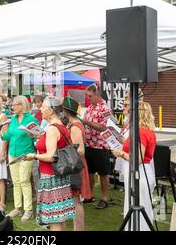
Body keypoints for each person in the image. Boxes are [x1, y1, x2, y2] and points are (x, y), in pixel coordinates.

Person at [26, 96, 75, 231]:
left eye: (43, 107)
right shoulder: (60, 126)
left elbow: (51, 156)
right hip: (59, 176)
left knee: (54, 219)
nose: (40, 109)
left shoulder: (52, 129)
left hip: (51, 177)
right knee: (60, 217)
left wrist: (34, 155)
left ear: (51, 111)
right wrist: (39, 137)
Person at [111, 101, 157, 231]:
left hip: (140, 173)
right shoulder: (145, 131)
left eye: (131, 111)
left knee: (139, 205)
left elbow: (138, 158)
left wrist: (120, 153)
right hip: (140, 172)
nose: (128, 114)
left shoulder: (141, 132)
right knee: (139, 204)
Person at [3, 96, 39, 221]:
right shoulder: (13, 119)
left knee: (24, 181)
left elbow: (37, 138)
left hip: (25, 153)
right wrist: (2, 132)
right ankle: (17, 208)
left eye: (14, 105)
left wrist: (35, 136)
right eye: (12, 105)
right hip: (12, 152)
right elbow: (8, 136)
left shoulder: (31, 119)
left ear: (22, 105)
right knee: (16, 182)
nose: (12, 107)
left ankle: (28, 209)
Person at [62, 96, 92, 231]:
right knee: (74, 201)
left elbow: (80, 149)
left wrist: (63, 151)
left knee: (76, 201)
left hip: (76, 166)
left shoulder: (75, 126)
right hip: (75, 165)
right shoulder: (73, 124)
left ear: (66, 111)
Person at [82, 84, 112, 209]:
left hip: (100, 145)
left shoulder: (105, 109)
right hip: (89, 144)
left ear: (97, 94)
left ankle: (104, 198)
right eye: (87, 96)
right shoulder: (89, 108)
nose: (88, 98)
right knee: (90, 172)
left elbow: (104, 127)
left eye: (90, 96)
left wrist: (87, 122)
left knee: (103, 173)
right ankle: (90, 195)